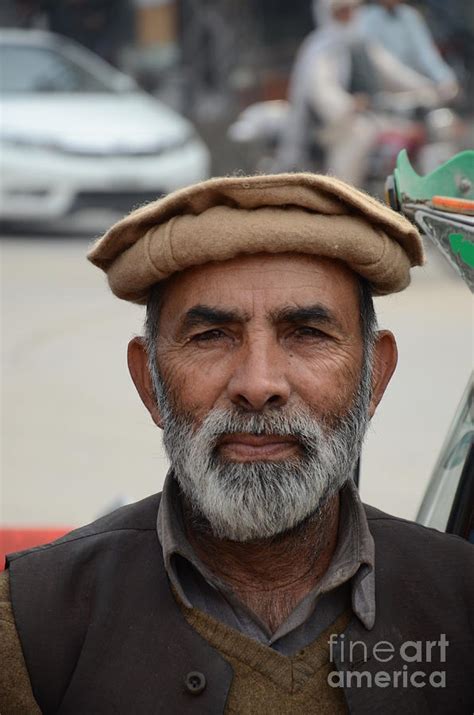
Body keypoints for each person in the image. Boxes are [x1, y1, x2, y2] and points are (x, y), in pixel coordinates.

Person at [1, 172, 473, 713]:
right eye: (211, 337)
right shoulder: (35, 622)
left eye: (307, 334)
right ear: (149, 383)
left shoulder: (462, 600)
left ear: (375, 376)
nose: (257, 384)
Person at [277, 0, 441, 185]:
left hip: (369, 116)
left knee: (411, 132)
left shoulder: (364, 44)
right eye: (342, 12)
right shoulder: (321, 48)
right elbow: (322, 90)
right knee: (358, 136)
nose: (349, 16)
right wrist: (348, 104)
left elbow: (394, 72)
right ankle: (342, 195)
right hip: (330, 126)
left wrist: (429, 88)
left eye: (352, 10)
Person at [358, 0, 459, 97]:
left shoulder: (410, 15)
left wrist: (445, 79)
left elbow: (426, 52)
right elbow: (383, 64)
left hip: (418, 87)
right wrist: (424, 85)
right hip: (386, 89)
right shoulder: (366, 18)